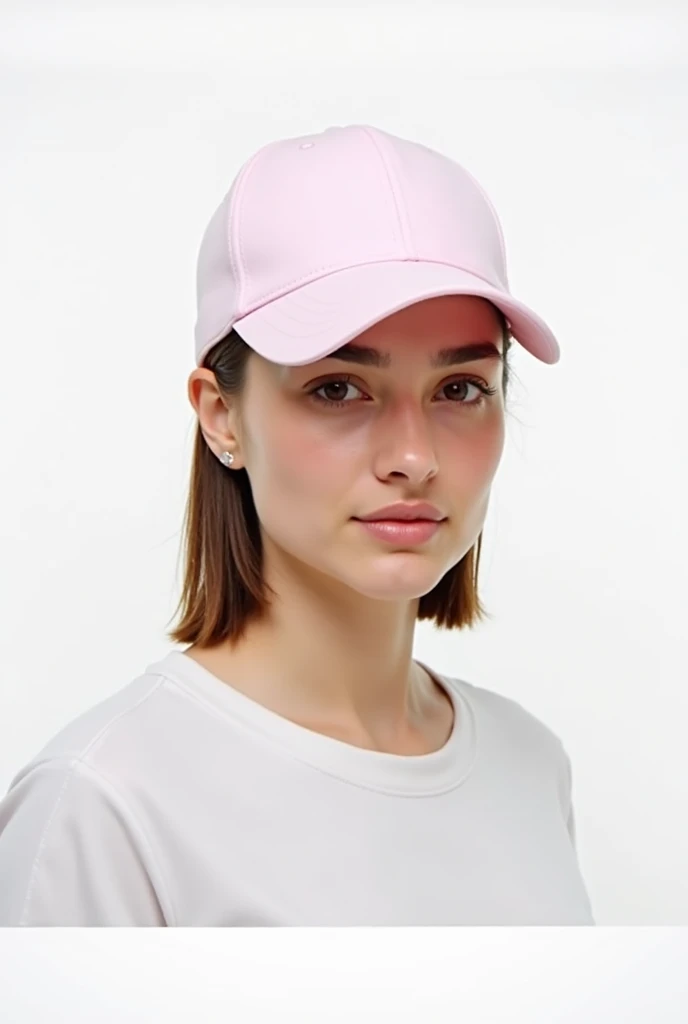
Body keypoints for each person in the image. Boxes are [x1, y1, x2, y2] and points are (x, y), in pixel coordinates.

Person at [0, 124, 595, 926]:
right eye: (338, 389)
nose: (413, 456)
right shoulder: (105, 806)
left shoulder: (530, 769)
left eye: (460, 389)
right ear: (222, 417)